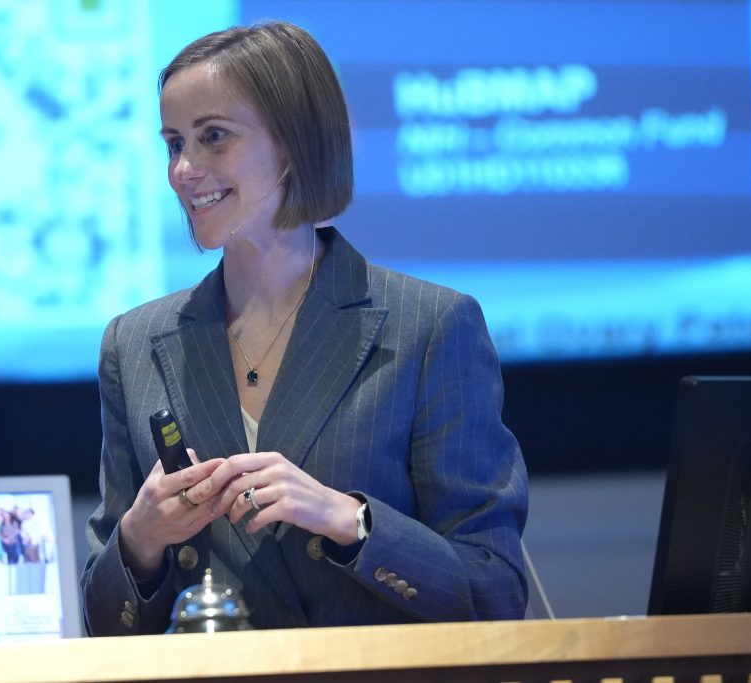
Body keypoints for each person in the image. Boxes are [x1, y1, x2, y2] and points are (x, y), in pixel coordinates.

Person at [80, 20, 528, 636]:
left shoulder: (431, 327)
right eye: (174, 144)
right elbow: (107, 629)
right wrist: (139, 538)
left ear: (293, 143)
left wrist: (350, 521)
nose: (184, 169)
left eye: (213, 137)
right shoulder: (133, 345)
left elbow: (495, 594)